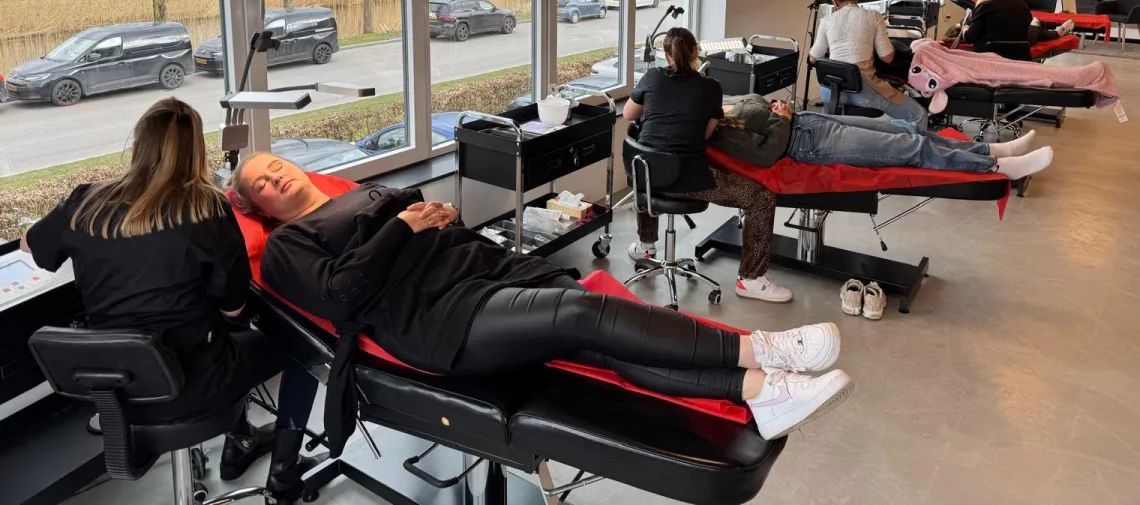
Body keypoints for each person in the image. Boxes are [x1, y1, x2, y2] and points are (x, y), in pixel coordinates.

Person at [226, 157, 854, 444]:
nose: (274, 176)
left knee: (596, 343)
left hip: (482, 270)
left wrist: (437, 218)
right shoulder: (286, 246)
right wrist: (403, 229)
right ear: (258, 207)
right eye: (261, 184)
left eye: (274, 164)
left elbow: (427, 231)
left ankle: (759, 392)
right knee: (582, 314)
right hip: (436, 317)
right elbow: (341, 295)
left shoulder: (356, 192)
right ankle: (758, 349)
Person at [21, 99, 320, 505]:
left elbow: (31, 245)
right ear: (196, 152)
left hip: (116, 386)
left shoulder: (84, 201)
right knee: (303, 346)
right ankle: (283, 473)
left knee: (217, 340)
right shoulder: (207, 206)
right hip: (195, 385)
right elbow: (233, 307)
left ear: (137, 145)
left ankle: (242, 438)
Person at [622, 27, 794, 304]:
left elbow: (629, 114)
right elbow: (705, 135)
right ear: (695, 52)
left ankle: (646, 245)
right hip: (688, 180)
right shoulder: (710, 87)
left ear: (666, 56)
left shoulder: (651, 76)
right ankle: (751, 280)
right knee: (761, 198)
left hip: (644, 175)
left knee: (650, 159)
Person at [713, 96, 1054, 180]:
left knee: (909, 130)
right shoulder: (720, 131)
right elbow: (766, 154)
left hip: (812, 120)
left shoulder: (723, 101)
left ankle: (992, 148)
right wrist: (781, 117)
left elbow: (760, 107)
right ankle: (997, 167)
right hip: (808, 144)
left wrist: (776, 108)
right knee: (911, 148)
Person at [810, 0, 928, 125]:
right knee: (919, 114)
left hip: (829, 91)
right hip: (861, 91)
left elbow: (813, 58)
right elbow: (887, 58)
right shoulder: (873, 16)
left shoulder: (827, 21)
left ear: (834, 2)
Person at [958, 0, 1075, 49]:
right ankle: (1054, 32)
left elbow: (970, 38)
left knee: (1033, 31)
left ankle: (1049, 30)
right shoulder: (1023, 6)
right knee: (1033, 31)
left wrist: (965, 28)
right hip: (1019, 53)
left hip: (990, 52)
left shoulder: (984, 7)